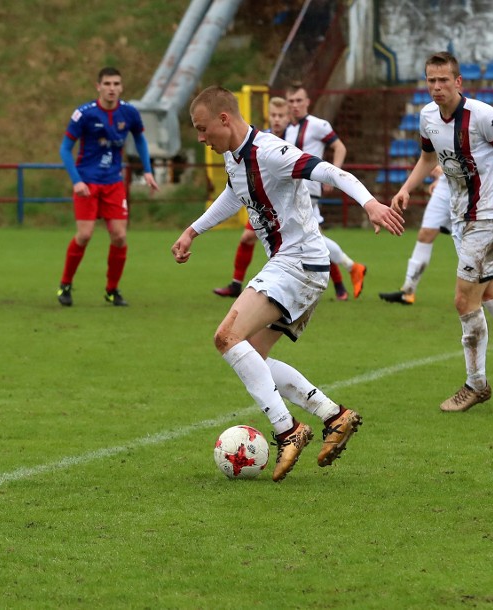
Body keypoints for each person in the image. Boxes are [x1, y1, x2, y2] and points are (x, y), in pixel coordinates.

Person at [171, 86, 404, 482]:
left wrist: (369, 203)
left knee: (227, 337)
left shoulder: (270, 152)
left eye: (203, 128)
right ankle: (334, 415)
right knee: (252, 357)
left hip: (297, 263)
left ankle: (287, 430)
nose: (200, 138)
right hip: (298, 267)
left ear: (224, 119)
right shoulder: (234, 159)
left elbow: (330, 171)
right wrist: (193, 231)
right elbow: (234, 196)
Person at [391, 51, 493, 412]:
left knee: (464, 301)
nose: (437, 87)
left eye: (444, 80)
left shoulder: (482, 115)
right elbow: (428, 159)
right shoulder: (427, 117)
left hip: (489, 219)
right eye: (431, 80)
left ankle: (476, 383)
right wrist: (407, 188)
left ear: (458, 82)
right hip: (462, 219)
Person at [57, 67, 159, 307]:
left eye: (116, 84)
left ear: (121, 87)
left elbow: (141, 140)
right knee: (84, 235)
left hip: (113, 182)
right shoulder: (84, 114)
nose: (112, 88)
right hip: (88, 182)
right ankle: (65, 284)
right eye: (107, 84)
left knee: (120, 236)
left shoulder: (130, 113)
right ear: (98, 86)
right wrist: (76, 181)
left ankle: (112, 290)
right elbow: (64, 149)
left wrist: (147, 170)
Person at [379, 165, 493, 305]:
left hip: (474, 187)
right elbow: (430, 155)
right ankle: (407, 291)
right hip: (445, 186)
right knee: (425, 234)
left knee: (479, 240)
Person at [284, 82, 367, 301]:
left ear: (307, 102)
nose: (295, 105)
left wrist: (334, 175)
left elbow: (340, 147)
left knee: (304, 237)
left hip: (308, 188)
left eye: (299, 100)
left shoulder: (318, 125)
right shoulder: (289, 129)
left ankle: (350, 269)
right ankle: (344, 279)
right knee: (311, 237)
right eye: (291, 101)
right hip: (293, 189)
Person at [212, 96, 290, 297]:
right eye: (273, 115)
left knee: (314, 243)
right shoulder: (262, 139)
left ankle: (341, 281)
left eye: (281, 115)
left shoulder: (296, 139)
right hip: (264, 203)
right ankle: (236, 284)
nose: (277, 119)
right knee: (248, 237)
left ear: (289, 117)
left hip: (292, 203)